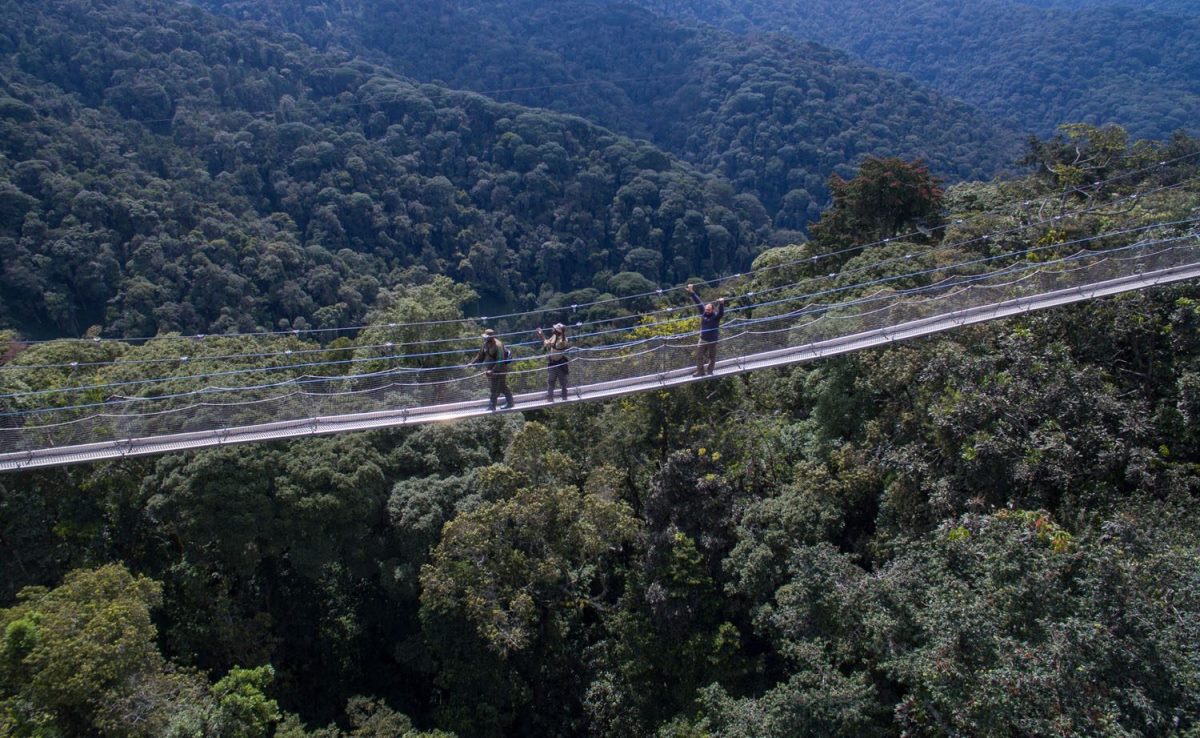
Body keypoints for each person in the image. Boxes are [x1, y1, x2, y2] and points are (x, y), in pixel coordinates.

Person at [468, 329, 514, 411]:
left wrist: (492, 370)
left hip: (500, 370)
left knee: (494, 388)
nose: (485, 338)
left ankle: (492, 406)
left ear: (492, 337)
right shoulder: (485, 344)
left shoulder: (498, 345)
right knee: (502, 387)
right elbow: (480, 356)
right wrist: (472, 363)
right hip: (490, 370)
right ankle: (510, 403)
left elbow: (500, 360)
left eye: (487, 337)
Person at [687, 284, 725, 377]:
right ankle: (700, 372)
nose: (707, 311)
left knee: (712, 357)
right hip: (703, 339)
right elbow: (698, 302)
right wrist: (692, 292)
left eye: (708, 310)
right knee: (699, 356)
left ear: (712, 310)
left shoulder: (715, 317)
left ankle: (710, 371)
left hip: (712, 341)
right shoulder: (703, 312)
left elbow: (721, 313)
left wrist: (721, 304)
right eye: (706, 309)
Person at [536, 323, 570, 401]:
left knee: (563, 383)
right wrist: (541, 335)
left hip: (560, 364)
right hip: (553, 363)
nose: (552, 329)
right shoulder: (554, 336)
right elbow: (546, 343)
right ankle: (550, 398)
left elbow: (563, 342)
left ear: (557, 331)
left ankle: (564, 398)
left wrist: (563, 333)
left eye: (554, 329)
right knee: (551, 381)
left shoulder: (563, 339)